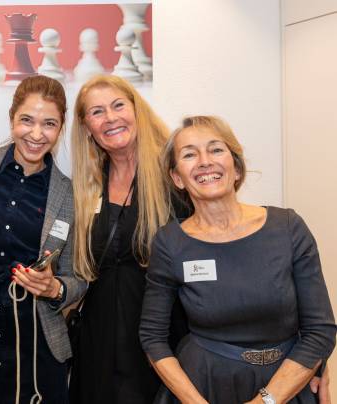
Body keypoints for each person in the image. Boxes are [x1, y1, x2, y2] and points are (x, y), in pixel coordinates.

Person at [139, 115, 337, 403]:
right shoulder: (170, 243)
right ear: (177, 178)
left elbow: (320, 331)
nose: (205, 161)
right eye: (189, 154)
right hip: (204, 386)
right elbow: (152, 337)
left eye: (216, 149)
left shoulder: (288, 228)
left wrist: (265, 401)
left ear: (236, 167)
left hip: (287, 386)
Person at [0, 75, 86, 404]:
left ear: (61, 127)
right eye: (27, 120)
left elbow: (78, 278)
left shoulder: (68, 194)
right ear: (12, 119)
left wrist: (55, 289)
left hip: (34, 338)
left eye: (49, 124)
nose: (36, 134)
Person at [68, 74, 188, 404]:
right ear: (86, 126)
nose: (110, 118)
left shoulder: (176, 176)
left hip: (162, 342)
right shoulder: (87, 186)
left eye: (118, 105)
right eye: (97, 112)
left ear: (137, 110)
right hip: (98, 346)